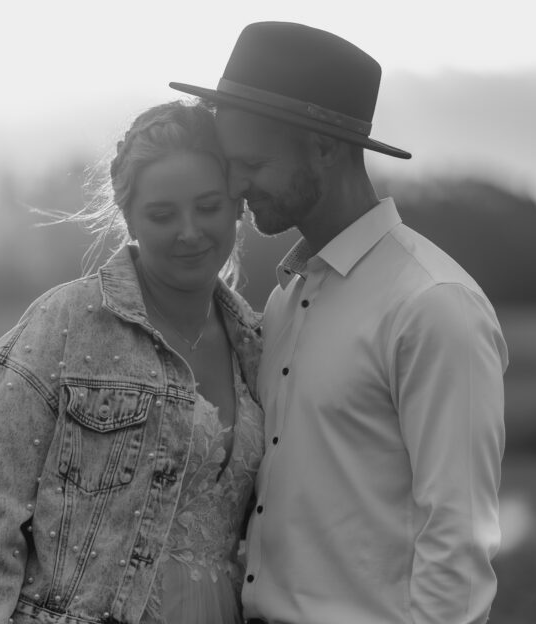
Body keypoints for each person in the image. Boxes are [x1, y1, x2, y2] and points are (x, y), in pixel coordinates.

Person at [171, 21, 509, 624]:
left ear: (323, 147)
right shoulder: (283, 300)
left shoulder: (434, 306)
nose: (236, 185)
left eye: (252, 162)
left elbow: (457, 546)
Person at [0, 100, 265, 624]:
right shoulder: (63, 326)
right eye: (162, 213)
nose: (190, 231)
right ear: (127, 215)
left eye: (208, 206)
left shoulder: (259, 343)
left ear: (238, 208)